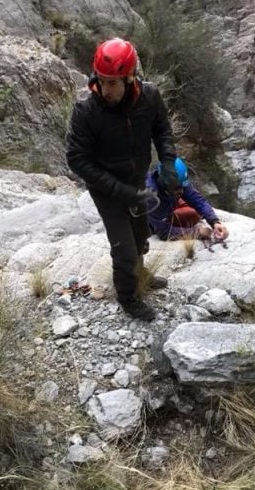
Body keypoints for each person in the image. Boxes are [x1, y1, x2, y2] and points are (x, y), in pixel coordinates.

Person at [66, 38, 179, 322]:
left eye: (113, 83)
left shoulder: (150, 97)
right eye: (101, 81)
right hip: (106, 189)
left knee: (141, 236)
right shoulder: (87, 111)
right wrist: (122, 191)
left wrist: (167, 161)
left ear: (129, 79)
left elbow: (162, 130)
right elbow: (77, 160)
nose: (105, 90)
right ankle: (129, 298)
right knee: (125, 249)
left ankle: (142, 274)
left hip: (136, 180)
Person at [145, 158, 229, 241]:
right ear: (164, 182)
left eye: (183, 187)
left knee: (194, 214)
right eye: (177, 188)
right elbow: (164, 232)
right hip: (152, 216)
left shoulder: (176, 182)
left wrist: (214, 222)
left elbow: (197, 200)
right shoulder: (151, 197)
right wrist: (197, 232)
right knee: (190, 215)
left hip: (168, 201)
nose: (181, 191)